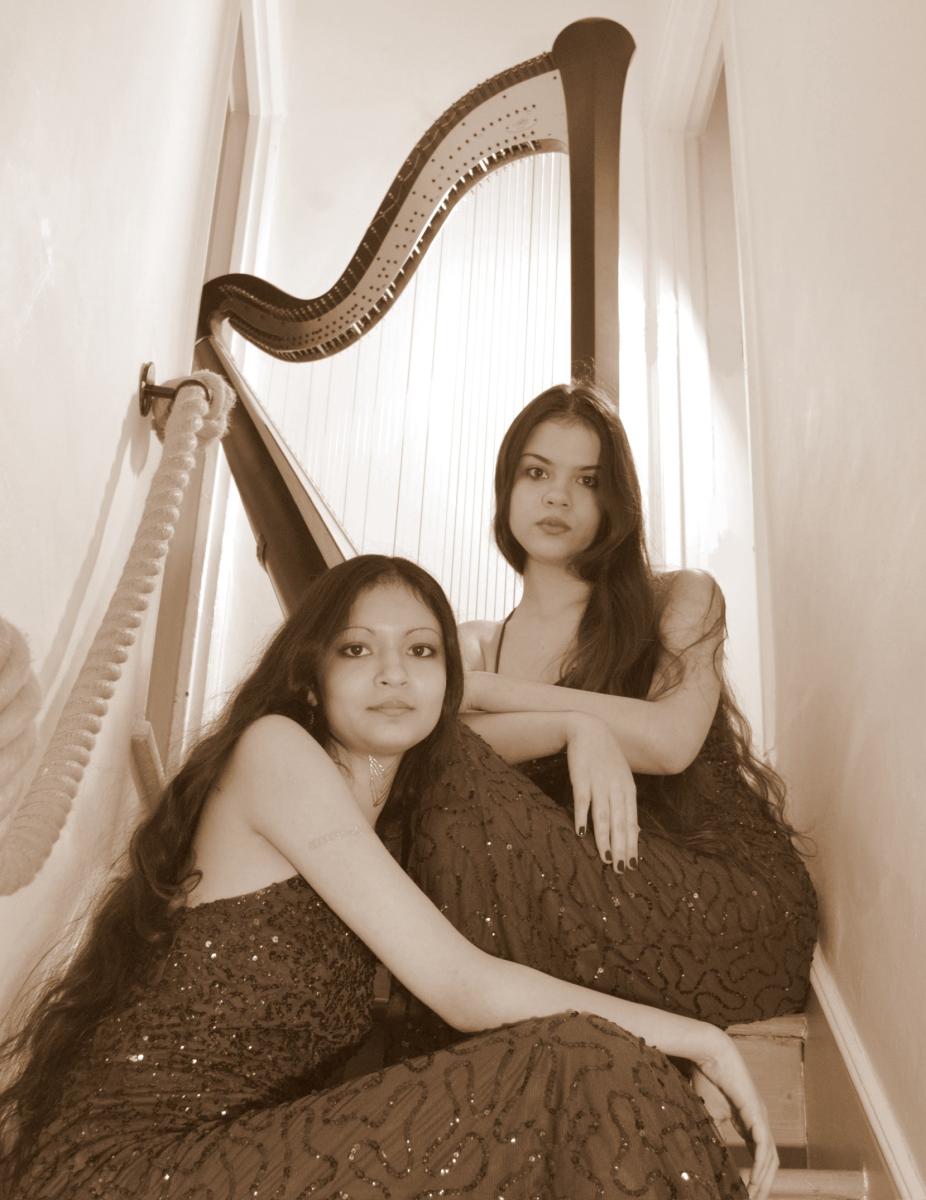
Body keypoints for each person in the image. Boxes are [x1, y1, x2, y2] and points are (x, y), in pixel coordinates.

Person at [0, 556, 775, 1199]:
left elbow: (483, 747)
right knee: (580, 1063)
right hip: (132, 1171)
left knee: (586, 1073)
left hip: (238, 1152)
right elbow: (462, 986)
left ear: (449, 683)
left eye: (422, 651)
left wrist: (582, 725)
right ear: (311, 677)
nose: (393, 676)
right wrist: (699, 1039)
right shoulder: (277, 752)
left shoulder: (395, 805)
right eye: (357, 650)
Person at [401, 382, 818, 1033]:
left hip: (719, 903)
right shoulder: (477, 644)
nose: (558, 495)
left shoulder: (681, 598)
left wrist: (493, 693)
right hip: (584, 902)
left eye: (588, 480)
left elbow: (669, 741)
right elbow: (442, 755)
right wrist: (575, 727)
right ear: (506, 489)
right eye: (536, 472)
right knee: (442, 791)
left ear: (614, 502)